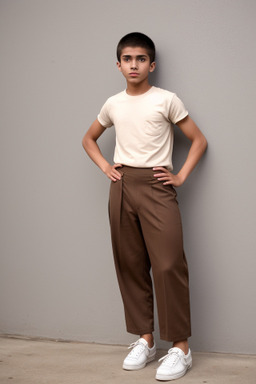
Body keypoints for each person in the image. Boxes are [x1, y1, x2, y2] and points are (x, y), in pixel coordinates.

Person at [82, 32, 207, 381]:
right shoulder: (113, 104)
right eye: (127, 59)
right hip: (122, 187)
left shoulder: (166, 100)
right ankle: (145, 339)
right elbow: (88, 139)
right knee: (131, 264)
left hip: (156, 186)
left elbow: (199, 140)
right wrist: (107, 166)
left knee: (168, 264)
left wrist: (179, 176)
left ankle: (180, 347)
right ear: (118, 65)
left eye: (140, 59)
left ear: (151, 65)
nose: (133, 64)